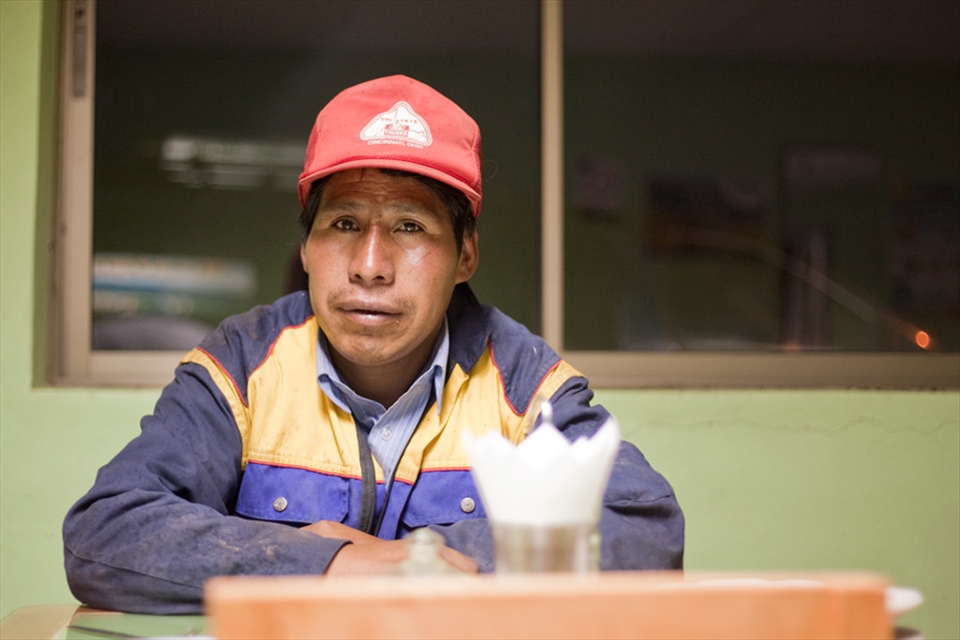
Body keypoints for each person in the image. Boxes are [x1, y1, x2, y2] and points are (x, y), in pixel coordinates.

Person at [62, 75, 684, 614]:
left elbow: (645, 531)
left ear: (465, 254)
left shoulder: (519, 379)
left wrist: (414, 561)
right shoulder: (244, 363)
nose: (369, 265)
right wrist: (327, 565)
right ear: (306, 249)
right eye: (344, 224)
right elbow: (105, 530)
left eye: (409, 227)